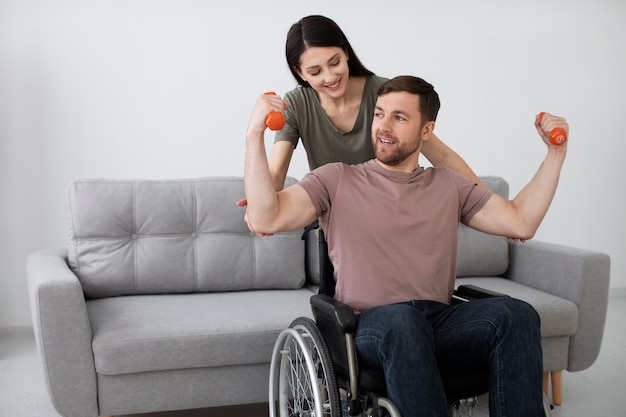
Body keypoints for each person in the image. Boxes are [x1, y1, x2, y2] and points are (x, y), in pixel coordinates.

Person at [244, 75, 568, 417]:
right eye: (379, 114)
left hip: (438, 321)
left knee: (517, 315)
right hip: (369, 327)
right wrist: (254, 135)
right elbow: (267, 217)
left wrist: (556, 153)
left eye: (399, 118)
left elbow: (520, 221)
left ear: (426, 130)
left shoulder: (448, 185)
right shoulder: (337, 179)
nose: (384, 126)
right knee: (403, 322)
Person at [237, 15, 485, 214]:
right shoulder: (296, 104)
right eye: (315, 71)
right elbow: (277, 173)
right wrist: (260, 202)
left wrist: (491, 203)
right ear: (300, 72)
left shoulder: (384, 92)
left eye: (334, 62)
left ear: (346, 52)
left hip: (391, 212)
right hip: (338, 223)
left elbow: (440, 154)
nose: (330, 77)